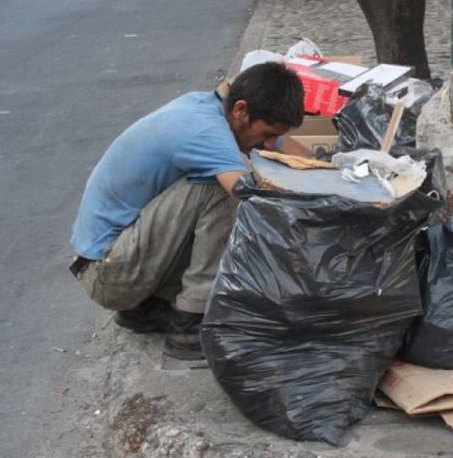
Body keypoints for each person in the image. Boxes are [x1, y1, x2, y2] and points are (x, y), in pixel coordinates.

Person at [69, 63, 308, 359]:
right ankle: (191, 323)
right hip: (108, 273)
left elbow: (294, 153)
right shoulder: (205, 131)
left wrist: (337, 175)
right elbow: (252, 201)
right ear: (241, 110)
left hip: (115, 260)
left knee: (231, 182)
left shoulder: (215, 107)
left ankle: (145, 310)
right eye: (266, 134)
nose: (269, 143)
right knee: (222, 191)